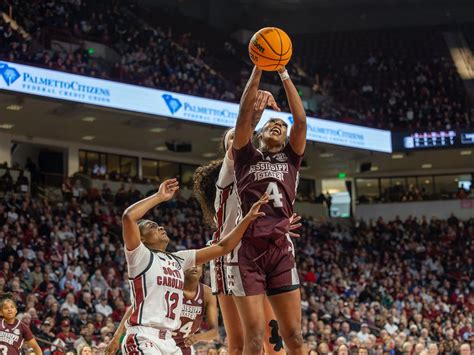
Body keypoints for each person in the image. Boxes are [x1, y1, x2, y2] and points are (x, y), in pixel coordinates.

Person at [119, 178, 268, 354]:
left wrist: (247, 219)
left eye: (159, 225)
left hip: (170, 341)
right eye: (153, 226)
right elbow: (128, 217)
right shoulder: (140, 256)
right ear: (141, 238)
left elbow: (223, 247)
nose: (161, 227)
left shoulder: (179, 259)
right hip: (144, 336)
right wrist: (159, 197)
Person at [194, 119, 302, 354]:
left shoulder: (258, 167)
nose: (236, 140)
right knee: (240, 339)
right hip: (229, 254)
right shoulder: (226, 174)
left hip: (262, 251)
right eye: (230, 138)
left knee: (273, 335)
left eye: (238, 136)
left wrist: (279, 223)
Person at [229, 64, 307, 354]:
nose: (279, 125)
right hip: (248, 249)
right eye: (272, 124)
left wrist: (285, 73)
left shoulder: (291, 159)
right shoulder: (245, 155)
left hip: (279, 249)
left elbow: (300, 121)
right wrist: (259, 68)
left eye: (282, 127)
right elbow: (243, 114)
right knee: (254, 338)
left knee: (295, 337)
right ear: (258, 134)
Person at [106, 264, 218, 355]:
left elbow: (214, 332)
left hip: (183, 346)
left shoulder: (207, 294)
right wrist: (117, 336)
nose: (194, 267)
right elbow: (137, 307)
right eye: (190, 264)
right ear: (181, 269)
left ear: (203, 270)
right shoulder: (169, 285)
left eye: (198, 265)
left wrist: (198, 337)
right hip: (157, 339)